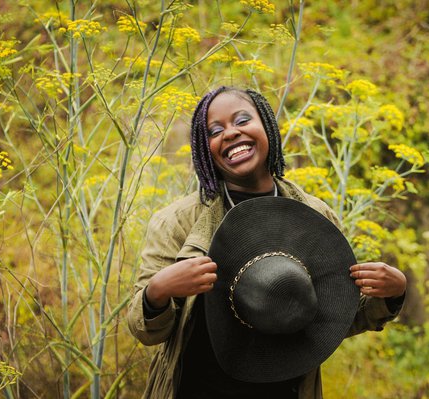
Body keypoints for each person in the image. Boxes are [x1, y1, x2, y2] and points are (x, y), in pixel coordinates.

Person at [127, 86, 407, 398]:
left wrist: (391, 294)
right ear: (204, 150)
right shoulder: (177, 222)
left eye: (242, 120)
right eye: (215, 130)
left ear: (268, 127)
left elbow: (334, 318)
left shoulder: (314, 215)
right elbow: (146, 330)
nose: (230, 133)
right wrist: (158, 291)